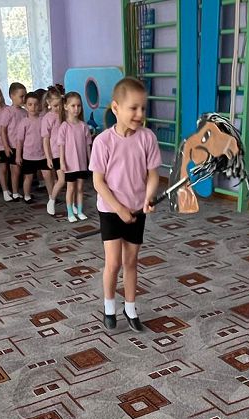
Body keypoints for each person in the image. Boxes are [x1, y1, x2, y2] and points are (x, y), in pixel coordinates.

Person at [89, 77, 161, 332]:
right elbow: (98, 182)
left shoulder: (147, 138)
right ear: (116, 108)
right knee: (113, 263)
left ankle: (130, 309)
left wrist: (148, 197)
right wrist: (119, 208)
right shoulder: (103, 142)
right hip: (111, 210)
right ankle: (109, 307)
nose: (140, 114)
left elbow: (153, 175)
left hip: (137, 209)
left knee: (131, 261)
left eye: (143, 108)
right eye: (133, 108)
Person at [57, 92, 91, 223]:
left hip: (81, 164)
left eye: (79, 106)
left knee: (80, 188)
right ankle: (70, 212)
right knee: (70, 189)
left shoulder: (83, 126)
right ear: (66, 106)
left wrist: (90, 160)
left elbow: (88, 145)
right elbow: (61, 146)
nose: (76, 109)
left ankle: (80, 211)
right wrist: (62, 162)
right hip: (70, 164)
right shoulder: (64, 126)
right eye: (73, 106)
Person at [15, 92, 47, 204]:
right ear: (25, 106)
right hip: (28, 156)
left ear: (39, 105)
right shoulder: (23, 122)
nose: (33, 107)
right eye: (30, 104)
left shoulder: (43, 120)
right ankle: (27, 196)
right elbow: (19, 141)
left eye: (35, 104)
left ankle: (52, 196)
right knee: (28, 177)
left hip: (42, 155)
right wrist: (18, 156)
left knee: (47, 176)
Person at [0, 82, 27, 201]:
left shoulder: (24, 112)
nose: (24, 99)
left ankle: (21, 191)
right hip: (12, 146)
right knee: (15, 170)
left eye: (25, 96)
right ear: (12, 96)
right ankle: (15, 192)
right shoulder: (7, 111)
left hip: (23, 146)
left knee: (22, 170)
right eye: (21, 96)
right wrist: (6, 146)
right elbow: (2, 130)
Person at [41, 86, 64, 216]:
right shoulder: (47, 118)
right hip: (55, 153)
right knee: (62, 179)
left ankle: (72, 205)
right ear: (48, 103)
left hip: (66, 151)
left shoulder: (63, 115)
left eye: (60, 105)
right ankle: (52, 200)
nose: (58, 108)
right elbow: (45, 140)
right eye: (55, 106)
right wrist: (48, 157)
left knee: (70, 180)